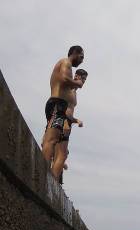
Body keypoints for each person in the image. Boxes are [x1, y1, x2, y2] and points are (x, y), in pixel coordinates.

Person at [41, 45, 85, 180]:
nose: (82, 60)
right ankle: (42, 173)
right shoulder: (65, 62)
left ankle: (52, 180)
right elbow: (64, 79)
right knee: (51, 140)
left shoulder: (68, 65)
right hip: (57, 104)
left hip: (60, 105)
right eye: (81, 57)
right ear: (75, 53)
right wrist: (77, 83)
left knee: (61, 150)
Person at [53, 69, 87, 182]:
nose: (83, 82)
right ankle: (52, 181)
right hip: (63, 120)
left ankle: (56, 180)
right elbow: (63, 109)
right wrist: (75, 120)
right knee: (60, 153)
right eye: (83, 78)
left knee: (62, 154)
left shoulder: (75, 92)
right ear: (76, 76)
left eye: (85, 80)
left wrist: (75, 120)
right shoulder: (70, 88)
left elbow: (69, 111)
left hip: (67, 122)